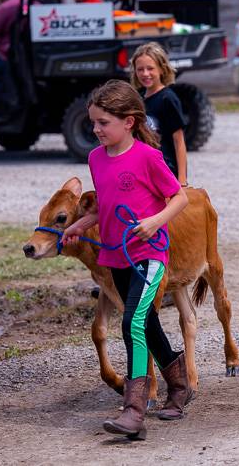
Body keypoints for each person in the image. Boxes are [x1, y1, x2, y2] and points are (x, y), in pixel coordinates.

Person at [61, 80, 191, 440]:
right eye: (94, 122)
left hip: (149, 255)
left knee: (131, 322)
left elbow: (178, 198)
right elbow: (105, 205)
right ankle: (179, 386)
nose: (96, 129)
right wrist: (81, 225)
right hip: (115, 257)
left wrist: (154, 222)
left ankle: (134, 411)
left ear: (129, 122)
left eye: (103, 122)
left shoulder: (148, 157)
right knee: (147, 323)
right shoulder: (95, 159)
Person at [130, 42, 189, 187]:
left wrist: (182, 180)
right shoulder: (138, 99)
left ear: (162, 69)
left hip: (166, 171)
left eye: (150, 68)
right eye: (140, 69)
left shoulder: (168, 99)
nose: (145, 74)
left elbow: (179, 141)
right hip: (144, 170)